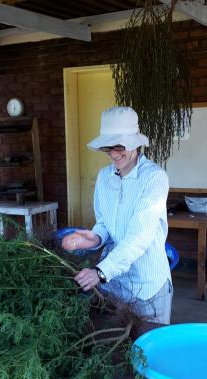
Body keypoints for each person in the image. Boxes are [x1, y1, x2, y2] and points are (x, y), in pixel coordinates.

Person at [62, 106, 173, 324]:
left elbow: (140, 235)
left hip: (147, 285)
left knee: (149, 349)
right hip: (116, 284)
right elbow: (104, 222)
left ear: (135, 143)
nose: (113, 154)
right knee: (120, 348)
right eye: (107, 147)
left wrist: (100, 272)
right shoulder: (105, 177)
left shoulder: (154, 178)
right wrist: (95, 237)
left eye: (119, 146)